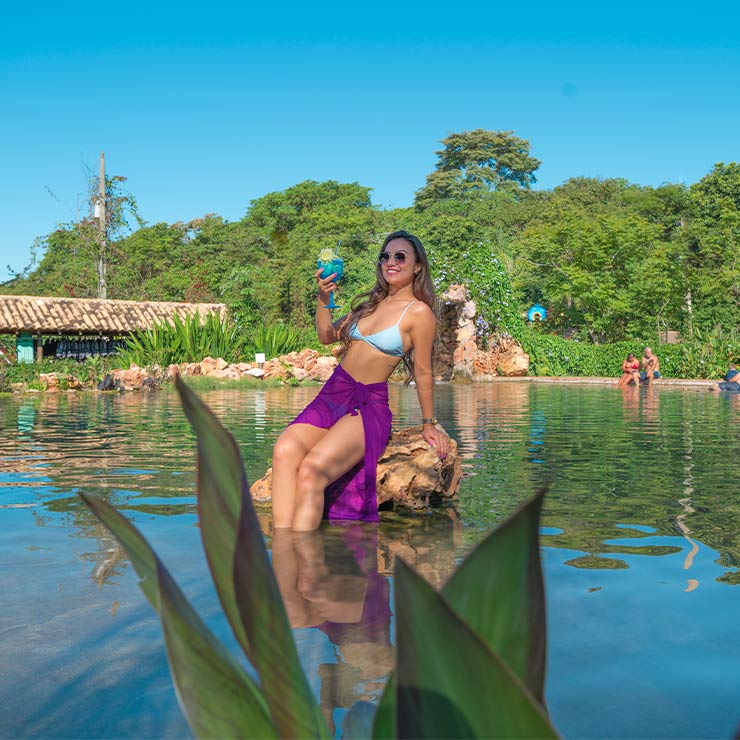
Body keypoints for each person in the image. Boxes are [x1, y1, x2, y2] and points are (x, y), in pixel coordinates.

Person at [271, 230, 449, 531]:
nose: (390, 262)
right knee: (284, 451)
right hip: (333, 392)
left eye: (400, 256)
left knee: (312, 470)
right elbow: (326, 336)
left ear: (418, 265)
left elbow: (422, 372)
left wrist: (428, 423)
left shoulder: (419, 313)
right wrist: (324, 298)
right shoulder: (368, 305)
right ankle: (282, 562)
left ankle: (303, 560)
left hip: (367, 404)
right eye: (385, 256)